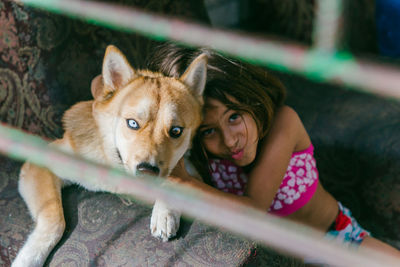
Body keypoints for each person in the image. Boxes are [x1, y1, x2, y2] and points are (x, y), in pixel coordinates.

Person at [147, 43, 400, 260]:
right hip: (279, 261)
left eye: (234, 117)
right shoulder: (196, 152)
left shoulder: (284, 123)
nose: (230, 140)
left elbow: (254, 209)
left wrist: (182, 183)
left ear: (251, 99)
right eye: (208, 131)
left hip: (338, 240)